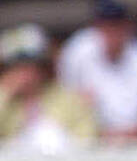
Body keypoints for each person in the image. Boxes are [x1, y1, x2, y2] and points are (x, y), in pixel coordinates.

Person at [57, 0, 137, 139]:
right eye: (105, 26)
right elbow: (64, 97)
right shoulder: (77, 51)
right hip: (89, 138)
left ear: (128, 27)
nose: (111, 32)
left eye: (116, 25)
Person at [0, 23, 96, 153]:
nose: (25, 73)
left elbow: (88, 140)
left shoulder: (68, 98)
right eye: (17, 66)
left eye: (31, 65)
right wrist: (7, 93)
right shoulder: (4, 97)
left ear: (43, 67)